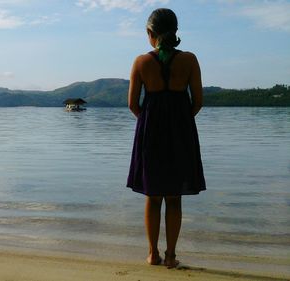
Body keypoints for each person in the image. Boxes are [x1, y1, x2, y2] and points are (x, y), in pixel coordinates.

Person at [126, 8, 206, 268]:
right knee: (174, 197)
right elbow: (198, 102)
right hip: (181, 134)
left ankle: (152, 254)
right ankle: (171, 256)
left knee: (153, 195)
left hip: (150, 134)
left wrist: (150, 122)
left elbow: (132, 105)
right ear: (175, 31)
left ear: (150, 33)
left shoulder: (141, 62)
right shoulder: (190, 60)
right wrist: (180, 121)